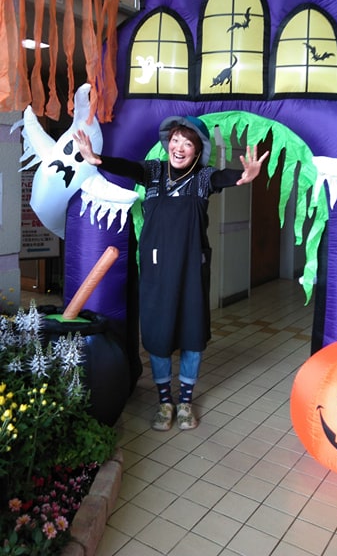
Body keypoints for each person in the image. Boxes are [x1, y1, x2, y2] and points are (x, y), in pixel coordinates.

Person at [73, 116, 269, 431]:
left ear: (197, 150)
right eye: (176, 140)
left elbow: (223, 178)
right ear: (168, 143)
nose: (179, 147)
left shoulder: (203, 177)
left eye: (188, 143)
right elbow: (128, 167)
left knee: (192, 335)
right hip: (156, 272)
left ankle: (186, 402)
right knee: (158, 335)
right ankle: (165, 402)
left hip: (192, 271)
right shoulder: (153, 171)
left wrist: (244, 177)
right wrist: (98, 159)